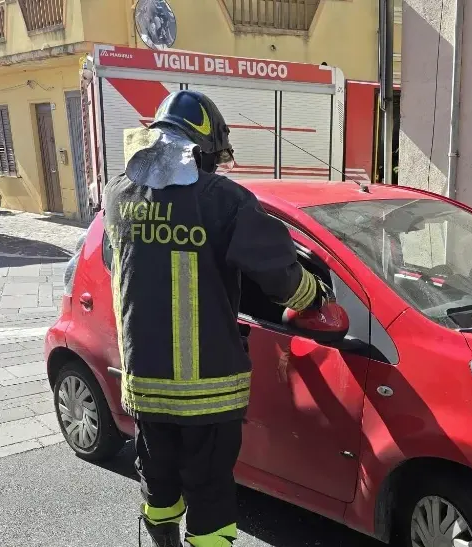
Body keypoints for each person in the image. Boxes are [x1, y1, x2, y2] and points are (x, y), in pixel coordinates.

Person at [102, 90, 328, 547]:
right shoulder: (225, 201)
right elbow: (280, 278)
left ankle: (160, 539)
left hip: (145, 389)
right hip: (209, 395)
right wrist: (315, 295)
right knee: (210, 499)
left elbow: (117, 264)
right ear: (204, 149)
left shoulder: (117, 194)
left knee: (158, 484)